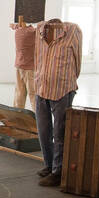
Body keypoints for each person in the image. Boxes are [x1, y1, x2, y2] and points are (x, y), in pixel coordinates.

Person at [32, 17, 82, 186]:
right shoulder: (39, 32)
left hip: (62, 89)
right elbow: (37, 59)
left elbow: (77, 60)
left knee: (60, 132)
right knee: (43, 131)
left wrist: (69, 81)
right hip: (41, 89)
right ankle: (49, 165)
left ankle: (58, 171)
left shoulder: (72, 32)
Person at [8, 16, 36, 110]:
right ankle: (38, 117)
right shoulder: (32, 33)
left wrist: (15, 26)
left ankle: (17, 115)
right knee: (33, 94)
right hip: (30, 68)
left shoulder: (19, 31)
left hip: (19, 65)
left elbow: (14, 26)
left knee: (19, 92)